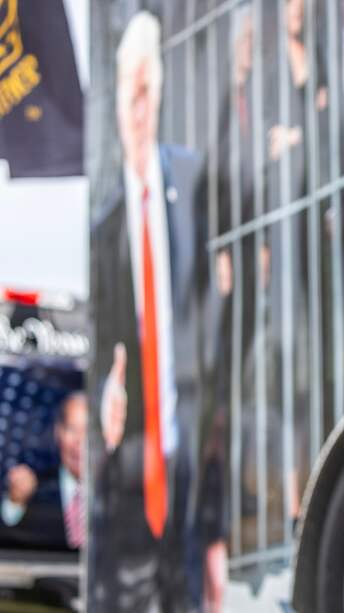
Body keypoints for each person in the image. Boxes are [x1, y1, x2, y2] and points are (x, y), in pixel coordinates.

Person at [91, 11, 223, 612]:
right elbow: (99, 355)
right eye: (130, 91)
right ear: (116, 98)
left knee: (191, 593)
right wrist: (104, 405)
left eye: (148, 91)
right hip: (133, 465)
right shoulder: (107, 226)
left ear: (160, 94)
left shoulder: (191, 180)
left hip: (188, 447)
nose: (139, 107)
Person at [0, 392, 87, 551]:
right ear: (58, 432)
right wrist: (15, 503)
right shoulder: (36, 490)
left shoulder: (117, 493)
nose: (79, 442)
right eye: (72, 429)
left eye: (87, 431)